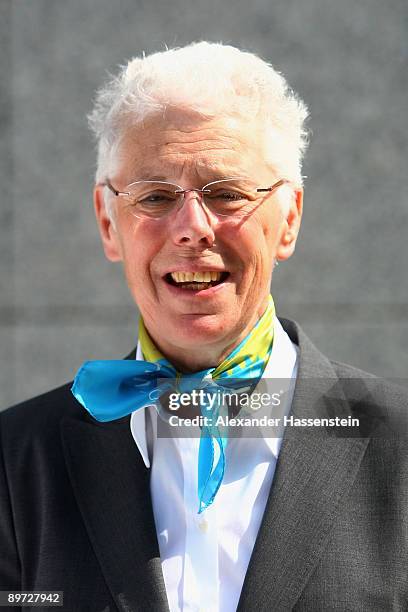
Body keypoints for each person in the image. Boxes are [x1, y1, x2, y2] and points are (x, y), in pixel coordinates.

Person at [0, 42, 407, 612]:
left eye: (225, 193)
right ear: (107, 222)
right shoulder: (15, 465)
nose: (191, 228)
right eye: (157, 196)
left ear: (288, 219)